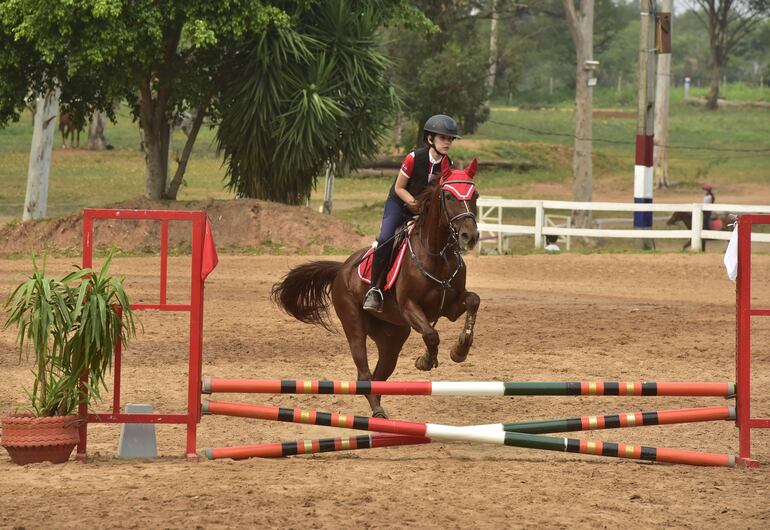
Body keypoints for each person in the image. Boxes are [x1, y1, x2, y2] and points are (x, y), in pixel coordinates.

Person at [362, 114, 461, 312]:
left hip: (424, 211)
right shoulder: (413, 158)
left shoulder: (447, 164)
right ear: (430, 139)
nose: (448, 142)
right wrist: (413, 203)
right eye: (443, 138)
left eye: (450, 139)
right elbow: (399, 188)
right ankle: (374, 290)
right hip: (400, 204)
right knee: (386, 238)